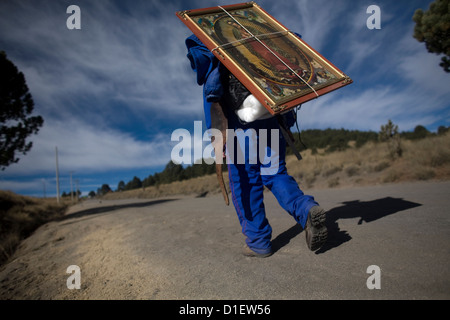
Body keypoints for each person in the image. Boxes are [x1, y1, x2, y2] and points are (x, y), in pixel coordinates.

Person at [185, 34, 327, 257]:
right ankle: (306, 209)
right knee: (276, 174)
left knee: (245, 181)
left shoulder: (214, 44)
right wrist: (287, 123)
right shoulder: (263, 43)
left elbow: (211, 92)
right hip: (269, 119)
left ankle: (258, 242)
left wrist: (216, 137)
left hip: (237, 125)